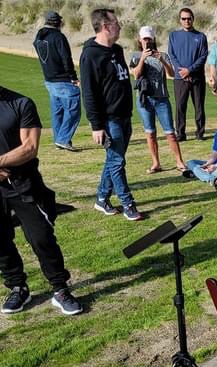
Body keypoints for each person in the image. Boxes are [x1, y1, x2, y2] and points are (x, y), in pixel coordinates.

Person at [0, 50, 83, 315]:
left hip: (22, 183)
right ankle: (17, 287)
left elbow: (29, 147)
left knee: (41, 236)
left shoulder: (20, 103)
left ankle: (60, 288)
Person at [80, 8, 143, 221]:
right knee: (117, 163)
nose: (120, 26)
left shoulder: (116, 50)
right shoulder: (90, 54)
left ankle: (101, 198)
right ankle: (128, 203)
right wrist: (96, 126)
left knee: (114, 160)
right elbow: (89, 93)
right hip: (109, 119)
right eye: (116, 23)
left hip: (124, 115)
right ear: (106, 26)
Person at [130, 26, 187, 175]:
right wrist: (143, 58)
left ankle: (179, 161)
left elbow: (172, 73)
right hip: (145, 99)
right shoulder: (135, 56)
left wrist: (162, 60)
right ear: (139, 40)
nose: (147, 41)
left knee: (170, 132)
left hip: (161, 99)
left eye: (149, 38)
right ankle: (156, 163)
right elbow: (135, 74)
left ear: (153, 39)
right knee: (150, 132)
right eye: (144, 39)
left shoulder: (162, 55)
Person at [33, 11, 81, 152]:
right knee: (73, 110)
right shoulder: (58, 37)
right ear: (58, 22)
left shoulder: (40, 36)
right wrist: (73, 76)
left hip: (49, 79)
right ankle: (63, 139)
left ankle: (59, 139)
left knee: (57, 111)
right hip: (63, 79)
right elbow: (66, 58)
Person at [168, 7, 208, 142]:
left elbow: (203, 56)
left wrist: (190, 70)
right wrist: (182, 71)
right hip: (180, 78)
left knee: (199, 106)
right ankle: (180, 133)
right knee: (180, 106)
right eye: (184, 18)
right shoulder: (173, 35)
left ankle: (200, 132)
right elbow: (171, 55)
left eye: (189, 18)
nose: (186, 21)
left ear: (193, 19)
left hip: (197, 77)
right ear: (180, 20)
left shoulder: (201, 36)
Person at [185, 111, 217, 184]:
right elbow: (214, 157)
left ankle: (204, 175)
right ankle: (213, 179)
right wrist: (205, 165)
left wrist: (216, 166)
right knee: (190, 162)